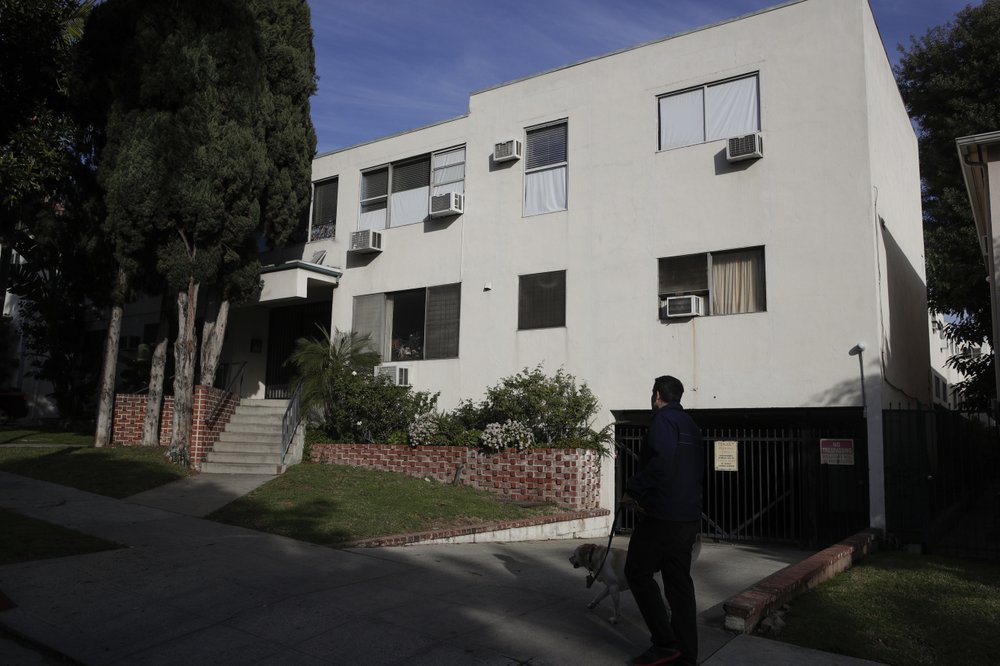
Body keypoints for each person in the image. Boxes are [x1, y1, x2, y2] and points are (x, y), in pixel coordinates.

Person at [621, 375, 705, 666]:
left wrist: (634, 488)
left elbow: (661, 462)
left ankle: (666, 643)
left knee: (637, 571)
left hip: (663, 518)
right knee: (679, 583)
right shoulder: (692, 426)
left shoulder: (662, 421)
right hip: (687, 519)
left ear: (657, 394)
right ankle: (687, 653)